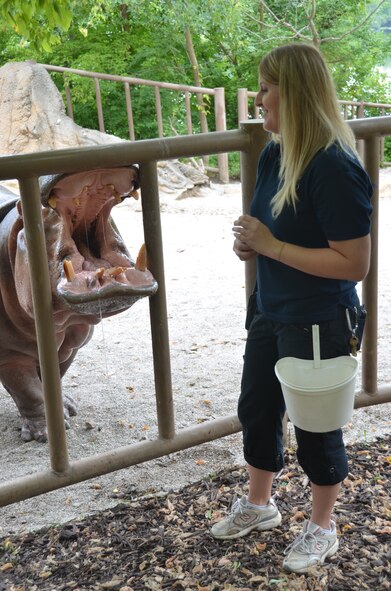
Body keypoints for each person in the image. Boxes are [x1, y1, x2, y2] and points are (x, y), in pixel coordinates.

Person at [210, 43, 372, 574]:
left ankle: (322, 527)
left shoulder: (334, 167)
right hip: (271, 307)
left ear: (295, 93)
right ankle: (260, 506)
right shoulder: (278, 152)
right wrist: (252, 244)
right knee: (257, 407)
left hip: (321, 319)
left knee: (316, 426)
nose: (258, 99)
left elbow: (354, 264)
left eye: (265, 87)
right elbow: (273, 228)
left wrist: (272, 246)